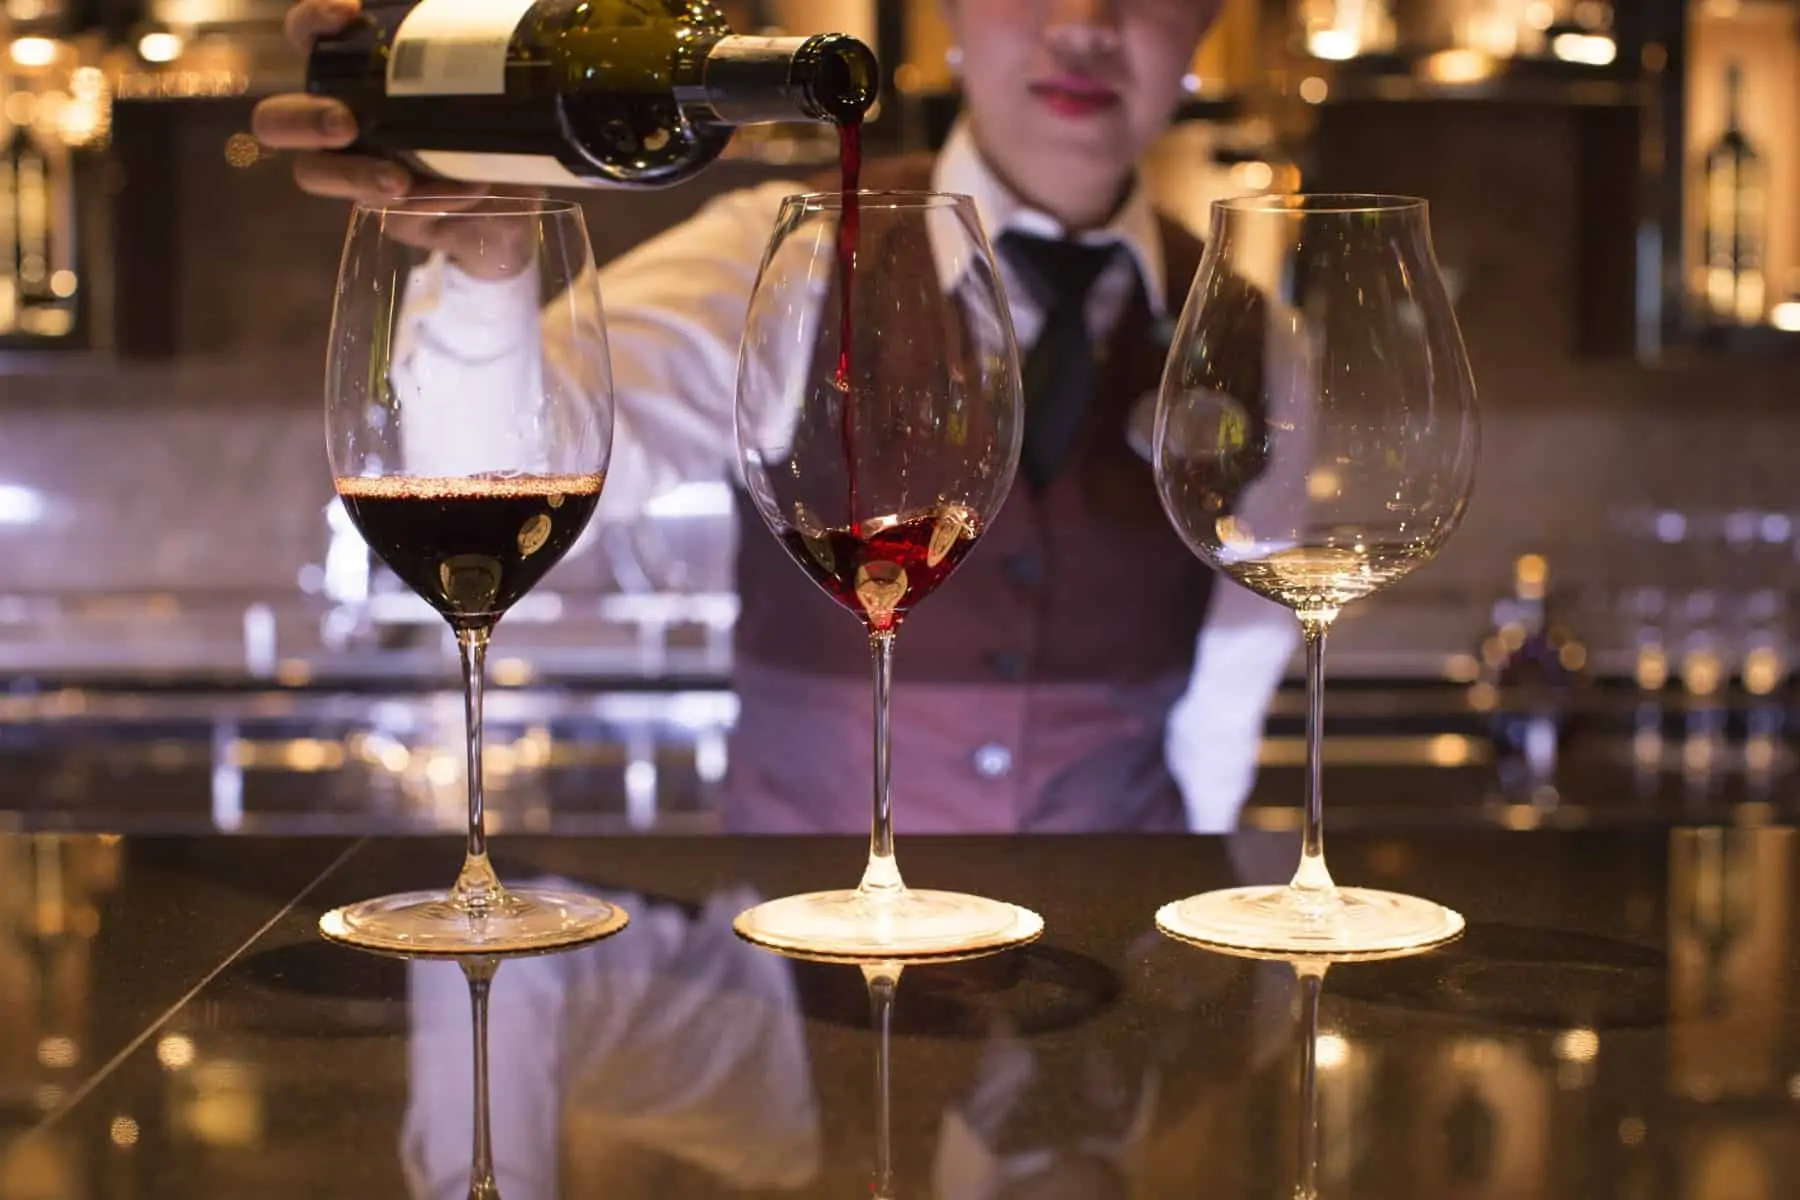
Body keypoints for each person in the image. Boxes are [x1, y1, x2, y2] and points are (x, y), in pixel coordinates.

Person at [253, 0, 1295, 835]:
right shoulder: (777, 249)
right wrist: (482, 261)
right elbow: (486, 468)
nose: (1085, 22)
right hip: (810, 976)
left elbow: (1238, 663)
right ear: (944, 16)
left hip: (1111, 969)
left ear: (1208, 21)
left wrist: (1192, 880)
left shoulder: (1256, 331)